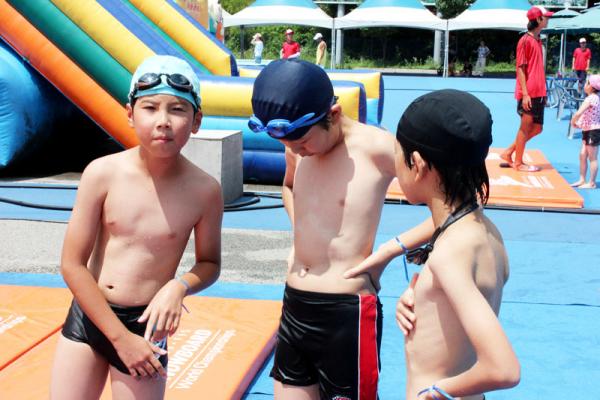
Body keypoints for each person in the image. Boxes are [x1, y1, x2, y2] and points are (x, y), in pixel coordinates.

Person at [248, 59, 431, 400]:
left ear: (333, 114)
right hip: (294, 304)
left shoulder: (377, 148)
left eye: (302, 142)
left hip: (346, 312)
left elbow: (454, 204)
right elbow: (289, 186)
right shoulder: (296, 146)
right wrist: (301, 228)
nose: (296, 151)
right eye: (289, 145)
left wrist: (390, 251)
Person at [49, 55, 223, 400]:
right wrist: (119, 339)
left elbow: (210, 263)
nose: (163, 122)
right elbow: (72, 264)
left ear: (196, 121)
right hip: (91, 314)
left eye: (177, 110)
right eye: (150, 108)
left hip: (145, 326)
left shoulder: (205, 190)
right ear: (130, 114)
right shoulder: (102, 174)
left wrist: (178, 286)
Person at [390, 89, 520, 400]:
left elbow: (504, 369)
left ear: (417, 163)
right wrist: (422, 300)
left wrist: (433, 392)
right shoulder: (484, 232)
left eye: (396, 155)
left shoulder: (451, 251)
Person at [500, 6, 553, 173]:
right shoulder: (525, 40)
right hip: (529, 92)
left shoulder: (538, 40)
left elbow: (538, 68)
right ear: (538, 19)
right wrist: (525, 94)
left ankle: (509, 152)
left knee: (537, 128)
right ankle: (518, 163)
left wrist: (544, 91)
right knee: (525, 128)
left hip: (538, 91)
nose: (548, 19)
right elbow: (521, 68)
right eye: (546, 17)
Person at [570, 74, 600, 189]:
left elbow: (579, 112)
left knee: (592, 157)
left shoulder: (591, 98)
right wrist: (580, 123)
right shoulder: (595, 98)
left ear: (591, 87)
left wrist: (573, 121)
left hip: (593, 131)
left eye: (587, 83)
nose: (584, 85)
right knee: (582, 154)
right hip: (588, 129)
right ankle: (582, 179)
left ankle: (591, 182)